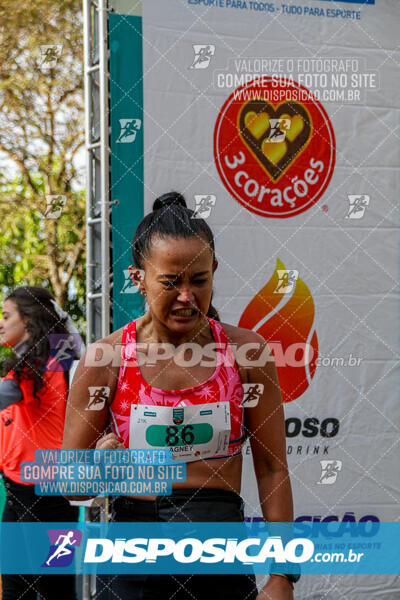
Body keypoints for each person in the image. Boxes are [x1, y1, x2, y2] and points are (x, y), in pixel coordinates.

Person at [63, 192, 297, 599]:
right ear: (138, 278)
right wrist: (100, 466)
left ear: (215, 272)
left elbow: (272, 470)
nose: (187, 296)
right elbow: (72, 484)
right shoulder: (105, 360)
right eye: (171, 282)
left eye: (199, 280)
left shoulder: (247, 353)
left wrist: (282, 575)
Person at [0, 286, 83, 600]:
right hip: (18, 489)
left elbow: (72, 339)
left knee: (54, 590)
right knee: (16, 589)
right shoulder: (37, 361)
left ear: (29, 320)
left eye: (7, 316)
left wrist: (52, 308)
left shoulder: (51, 362)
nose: (1, 323)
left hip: (49, 494)